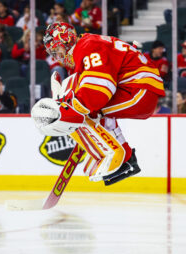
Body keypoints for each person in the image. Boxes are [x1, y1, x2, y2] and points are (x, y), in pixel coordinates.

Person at [33, 22, 165, 186]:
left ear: (67, 41)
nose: (57, 56)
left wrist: (71, 111)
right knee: (74, 97)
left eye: (57, 50)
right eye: (53, 53)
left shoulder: (88, 46)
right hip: (139, 88)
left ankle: (117, 155)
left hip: (140, 90)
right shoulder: (87, 45)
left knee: (80, 105)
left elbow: (100, 89)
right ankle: (120, 155)